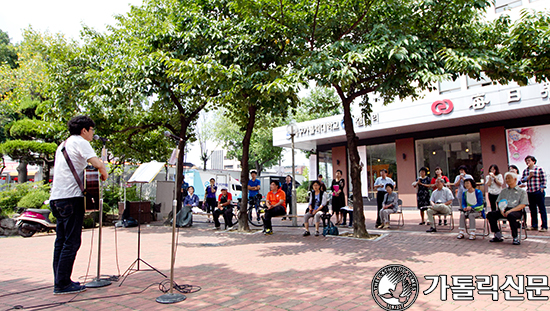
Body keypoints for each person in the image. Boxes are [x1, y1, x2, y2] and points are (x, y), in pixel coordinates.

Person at [49, 116, 108, 295]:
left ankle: (60, 279)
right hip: (71, 198)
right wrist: (104, 173)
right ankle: (62, 284)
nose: (92, 133)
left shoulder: (63, 145)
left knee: (61, 240)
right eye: (92, 130)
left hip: (56, 198)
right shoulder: (80, 142)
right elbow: (97, 163)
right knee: (72, 241)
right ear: (84, 130)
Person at [487, 172, 528, 245]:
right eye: (506, 178)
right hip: (504, 209)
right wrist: (501, 209)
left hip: (516, 210)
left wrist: (511, 211)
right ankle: (497, 234)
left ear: (515, 179)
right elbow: (499, 201)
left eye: (509, 178)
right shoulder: (503, 191)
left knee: (511, 215)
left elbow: (522, 204)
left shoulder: (521, 191)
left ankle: (515, 237)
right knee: (490, 214)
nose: (507, 180)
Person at [521, 155, 547, 232]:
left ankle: (544, 226)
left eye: (529, 160)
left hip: (538, 191)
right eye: (526, 161)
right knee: (532, 209)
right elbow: (522, 180)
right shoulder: (525, 170)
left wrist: (542, 188)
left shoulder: (539, 169)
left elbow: (544, 179)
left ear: (533, 161)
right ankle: (534, 225)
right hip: (530, 191)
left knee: (541, 209)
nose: (527, 162)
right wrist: (529, 177)